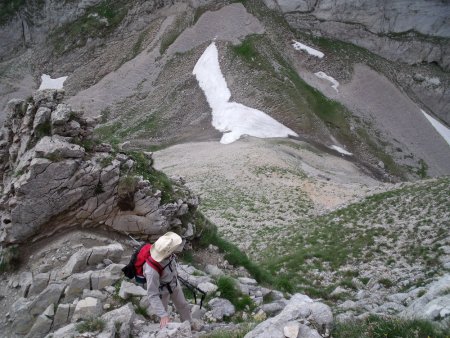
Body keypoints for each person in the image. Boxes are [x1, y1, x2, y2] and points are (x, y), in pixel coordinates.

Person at [144, 232, 192, 328]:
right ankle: (163, 331)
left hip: (173, 283)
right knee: (163, 314)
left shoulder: (169, 255)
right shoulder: (151, 271)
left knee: (183, 306)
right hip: (162, 290)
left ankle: (189, 326)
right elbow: (152, 294)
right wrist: (163, 315)